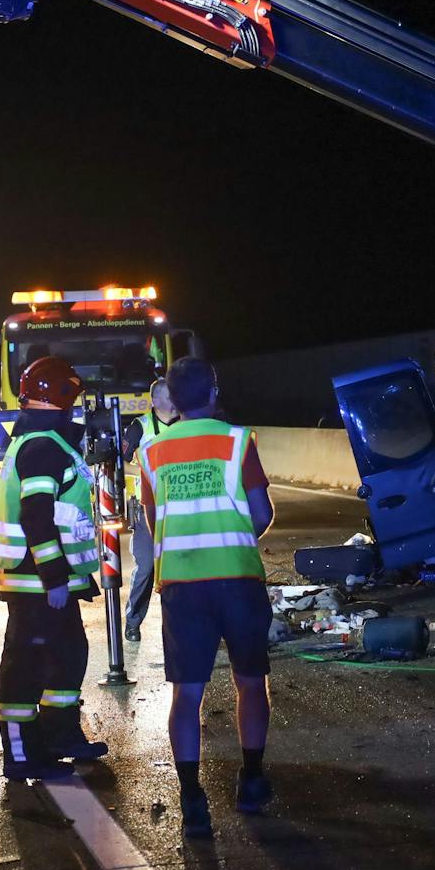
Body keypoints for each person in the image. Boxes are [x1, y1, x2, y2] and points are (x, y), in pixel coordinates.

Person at [138, 357, 275, 838]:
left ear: (171, 400)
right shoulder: (238, 441)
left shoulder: (151, 453)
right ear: (214, 392)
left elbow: (156, 525)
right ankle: (251, 781)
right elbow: (260, 514)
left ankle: (192, 797)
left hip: (181, 585)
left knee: (186, 693)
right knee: (250, 681)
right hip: (237, 578)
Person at [0, 356, 109, 779]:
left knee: (67, 656)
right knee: (26, 669)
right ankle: (21, 757)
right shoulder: (42, 446)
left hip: (43, 580)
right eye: (72, 395)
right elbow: (36, 515)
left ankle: (59, 737)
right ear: (61, 395)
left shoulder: (43, 441)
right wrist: (54, 578)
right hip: (36, 582)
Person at [122, 378, 178, 642]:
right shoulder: (138, 428)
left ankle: (180, 624)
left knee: (178, 568)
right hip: (146, 506)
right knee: (146, 566)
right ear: (155, 401)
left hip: (179, 505)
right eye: (170, 396)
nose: (176, 400)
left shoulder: (186, 424)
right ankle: (132, 621)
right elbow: (121, 465)